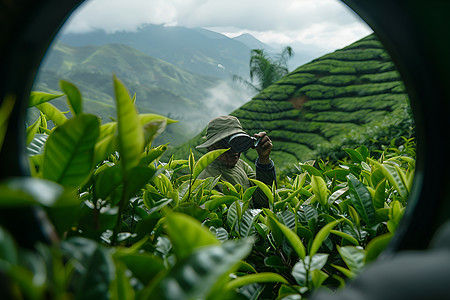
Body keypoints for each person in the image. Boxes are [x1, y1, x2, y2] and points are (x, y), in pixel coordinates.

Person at [196, 115, 276, 208]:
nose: (234, 151)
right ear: (212, 147)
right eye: (226, 146)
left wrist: (264, 159)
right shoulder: (205, 180)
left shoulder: (241, 165)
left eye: (238, 143)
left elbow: (264, 201)